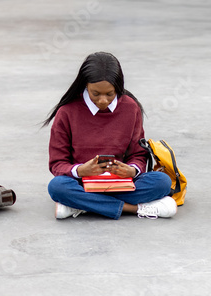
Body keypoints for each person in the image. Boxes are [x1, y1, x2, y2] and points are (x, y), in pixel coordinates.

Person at [44, 52, 176, 220]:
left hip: (121, 183)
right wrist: (80, 170)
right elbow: (57, 163)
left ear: (118, 87)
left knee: (162, 181)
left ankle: (82, 205)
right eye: (96, 94)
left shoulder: (130, 107)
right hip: (82, 183)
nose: (103, 100)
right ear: (85, 85)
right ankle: (134, 209)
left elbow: (137, 154)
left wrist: (132, 170)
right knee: (57, 187)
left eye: (110, 93)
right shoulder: (67, 111)